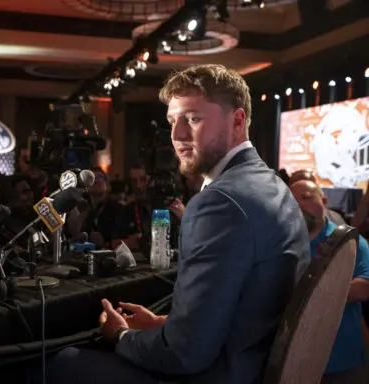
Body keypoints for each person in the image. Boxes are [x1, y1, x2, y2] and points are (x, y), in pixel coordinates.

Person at [29, 64, 310, 383]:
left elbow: (185, 353)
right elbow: (240, 309)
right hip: (246, 363)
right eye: (173, 121)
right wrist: (161, 323)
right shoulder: (273, 186)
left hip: (217, 373)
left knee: (60, 363)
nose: (176, 135)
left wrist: (122, 337)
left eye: (193, 119)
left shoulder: (220, 202)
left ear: (237, 120)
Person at [290, 180, 369, 383]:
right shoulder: (280, 243)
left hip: (341, 361)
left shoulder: (350, 241)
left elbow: (364, 288)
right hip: (291, 361)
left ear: (323, 201)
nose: (298, 204)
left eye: (306, 197)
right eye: (292, 199)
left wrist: (303, 294)